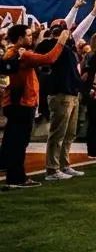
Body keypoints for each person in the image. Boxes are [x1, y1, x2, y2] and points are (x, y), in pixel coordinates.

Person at [35, 0, 96, 179]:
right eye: (59, 26)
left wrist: (93, 13)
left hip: (72, 93)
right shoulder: (47, 45)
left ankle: (64, 165)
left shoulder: (68, 45)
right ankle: (52, 169)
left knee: (69, 134)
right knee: (58, 134)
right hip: (60, 93)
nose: (64, 27)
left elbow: (79, 29)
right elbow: (68, 25)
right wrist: (73, 9)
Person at [2, 23, 68, 189]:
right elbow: (49, 59)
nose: (31, 38)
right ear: (20, 39)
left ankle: (13, 175)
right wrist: (61, 42)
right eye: (29, 35)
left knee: (13, 141)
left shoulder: (14, 52)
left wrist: (37, 32)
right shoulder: (21, 55)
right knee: (19, 142)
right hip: (23, 104)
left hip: (17, 103)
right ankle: (17, 178)